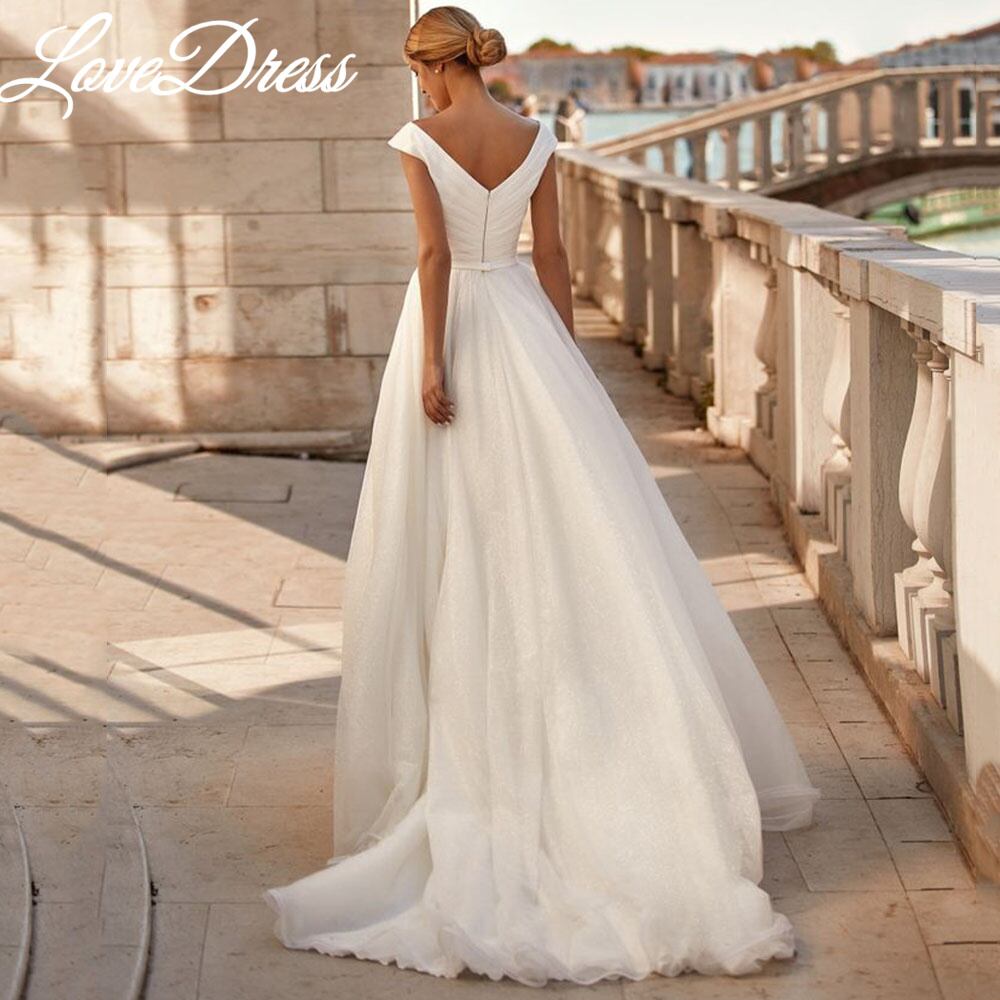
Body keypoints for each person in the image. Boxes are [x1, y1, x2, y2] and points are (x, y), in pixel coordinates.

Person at [262, 5, 820, 987]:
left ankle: (472, 752)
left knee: (454, 534)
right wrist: (562, 360)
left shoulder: (419, 138)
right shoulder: (536, 137)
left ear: (431, 68)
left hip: (458, 329)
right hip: (525, 324)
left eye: (418, 73)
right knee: (572, 542)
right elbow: (553, 257)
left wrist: (433, 361)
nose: (419, 87)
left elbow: (435, 257)